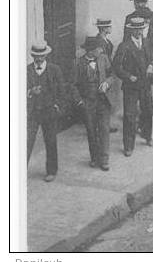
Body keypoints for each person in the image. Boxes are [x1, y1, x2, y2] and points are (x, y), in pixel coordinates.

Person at [27, 41, 75, 182]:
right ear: (32, 56)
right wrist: (30, 91)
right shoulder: (27, 70)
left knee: (51, 141)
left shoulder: (55, 70)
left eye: (42, 55)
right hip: (33, 113)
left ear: (46, 55)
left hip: (49, 111)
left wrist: (58, 107)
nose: (39, 58)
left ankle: (51, 171)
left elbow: (62, 91)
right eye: (36, 56)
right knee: (27, 141)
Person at [113, 17, 153, 155]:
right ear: (132, 30)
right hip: (131, 87)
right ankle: (128, 146)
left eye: (141, 29)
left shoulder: (147, 43)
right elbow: (117, 67)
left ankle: (147, 136)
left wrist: (151, 66)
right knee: (129, 116)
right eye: (136, 30)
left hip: (145, 84)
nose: (139, 32)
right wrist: (128, 76)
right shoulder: (124, 46)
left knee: (148, 111)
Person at [73, 36, 113, 171]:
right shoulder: (78, 63)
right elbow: (73, 85)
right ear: (90, 50)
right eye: (98, 48)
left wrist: (107, 83)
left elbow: (111, 74)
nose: (101, 50)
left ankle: (105, 159)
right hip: (87, 102)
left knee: (104, 129)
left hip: (102, 100)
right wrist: (79, 101)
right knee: (91, 131)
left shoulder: (103, 59)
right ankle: (94, 158)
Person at [95, 17, 120, 133]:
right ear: (104, 29)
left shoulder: (106, 41)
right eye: (109, 26)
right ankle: (100, 126)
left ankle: (104, 124)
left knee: (106, 99)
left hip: (108, 71)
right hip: (101, 72)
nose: (111, 28)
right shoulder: (98, 42)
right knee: (101, 99)